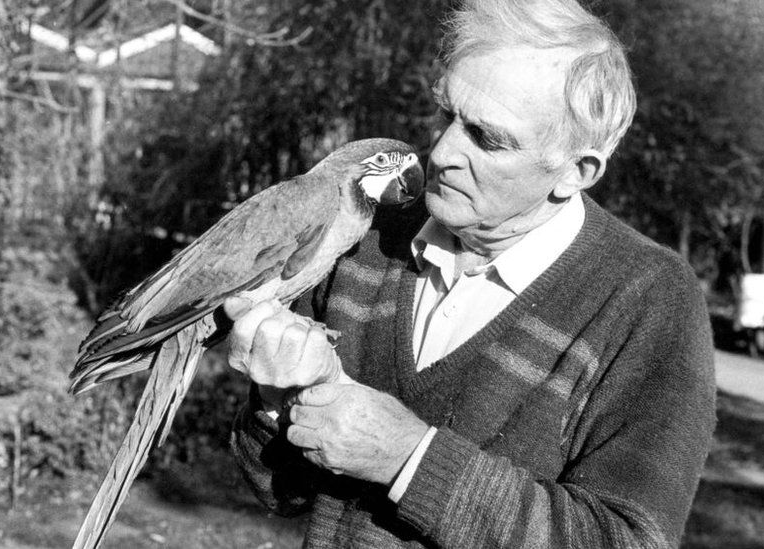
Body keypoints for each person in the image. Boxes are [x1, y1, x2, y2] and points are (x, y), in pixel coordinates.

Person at [224, 0, 716, 547]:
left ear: (577, 171)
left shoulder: (650, 300)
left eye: (488, 139)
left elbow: (630, 541)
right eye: (446, 116)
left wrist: (408, 458)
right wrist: (276, 402)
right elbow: (280, 491)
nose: (440, 152)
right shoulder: (363, 235)